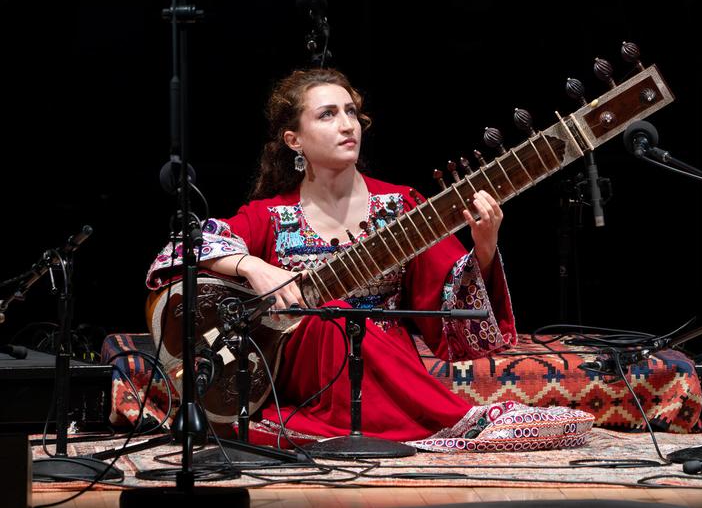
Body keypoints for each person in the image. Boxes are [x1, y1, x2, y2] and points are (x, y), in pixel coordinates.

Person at [146, 68, 517, 447]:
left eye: (351, 112)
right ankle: (451, 425)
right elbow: (179, 249)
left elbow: (459, 316)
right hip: (307, 372)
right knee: (334, 316)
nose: (347, 125)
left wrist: (484, 245)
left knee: (343, 318)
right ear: (294, 140)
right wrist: (252, 266)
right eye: (328, 115)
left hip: (391, 367)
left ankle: (423, 425)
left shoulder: (402, 207)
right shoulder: (270, 216)